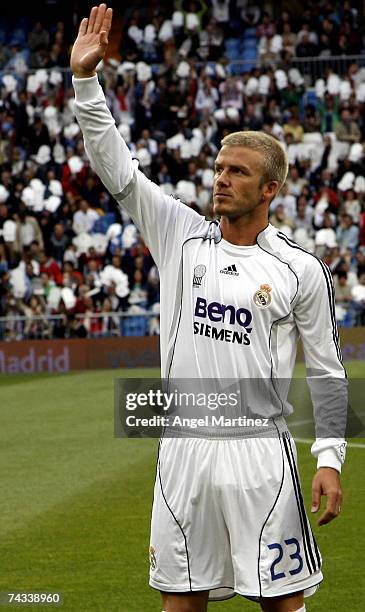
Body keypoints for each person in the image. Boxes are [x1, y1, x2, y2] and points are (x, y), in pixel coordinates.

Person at [70, 6, 347, 612]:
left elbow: (326, 373)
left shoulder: (301, 268)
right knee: (180, 601)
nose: (221, 179)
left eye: (238, 172)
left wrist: (329, 459)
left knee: (281, 601)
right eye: (219, 167)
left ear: (269, 188)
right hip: (183, 447)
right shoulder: (179, 234)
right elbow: (117, 168)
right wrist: (86, 85)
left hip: (261, 451)